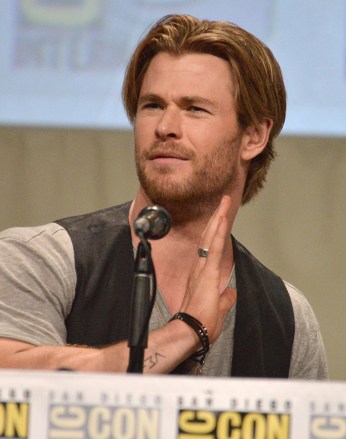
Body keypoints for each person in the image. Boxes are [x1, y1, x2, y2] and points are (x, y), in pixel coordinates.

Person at [0, 14, 327, 378]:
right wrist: (187, 331)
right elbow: (22, 391)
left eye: (195, 109)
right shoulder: (39, 260)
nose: (165, 128)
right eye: (152, 105)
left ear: (253, 136)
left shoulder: (288, 319)